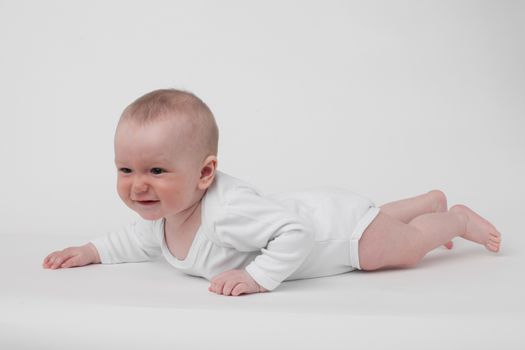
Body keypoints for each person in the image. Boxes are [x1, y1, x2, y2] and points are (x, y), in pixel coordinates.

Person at [42, 89, 502, 296]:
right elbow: (133, 240)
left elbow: (297, 234)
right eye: (126, 169)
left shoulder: (225, 214)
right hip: (330, 210)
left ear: (205, 173)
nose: (138, 184)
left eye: (157, 170)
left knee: (396, 250)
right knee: (375, 216)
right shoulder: (168, 217)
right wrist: (90, 251)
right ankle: (426, 202)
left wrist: (258, 278)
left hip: (338, 233)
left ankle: (453, 218)